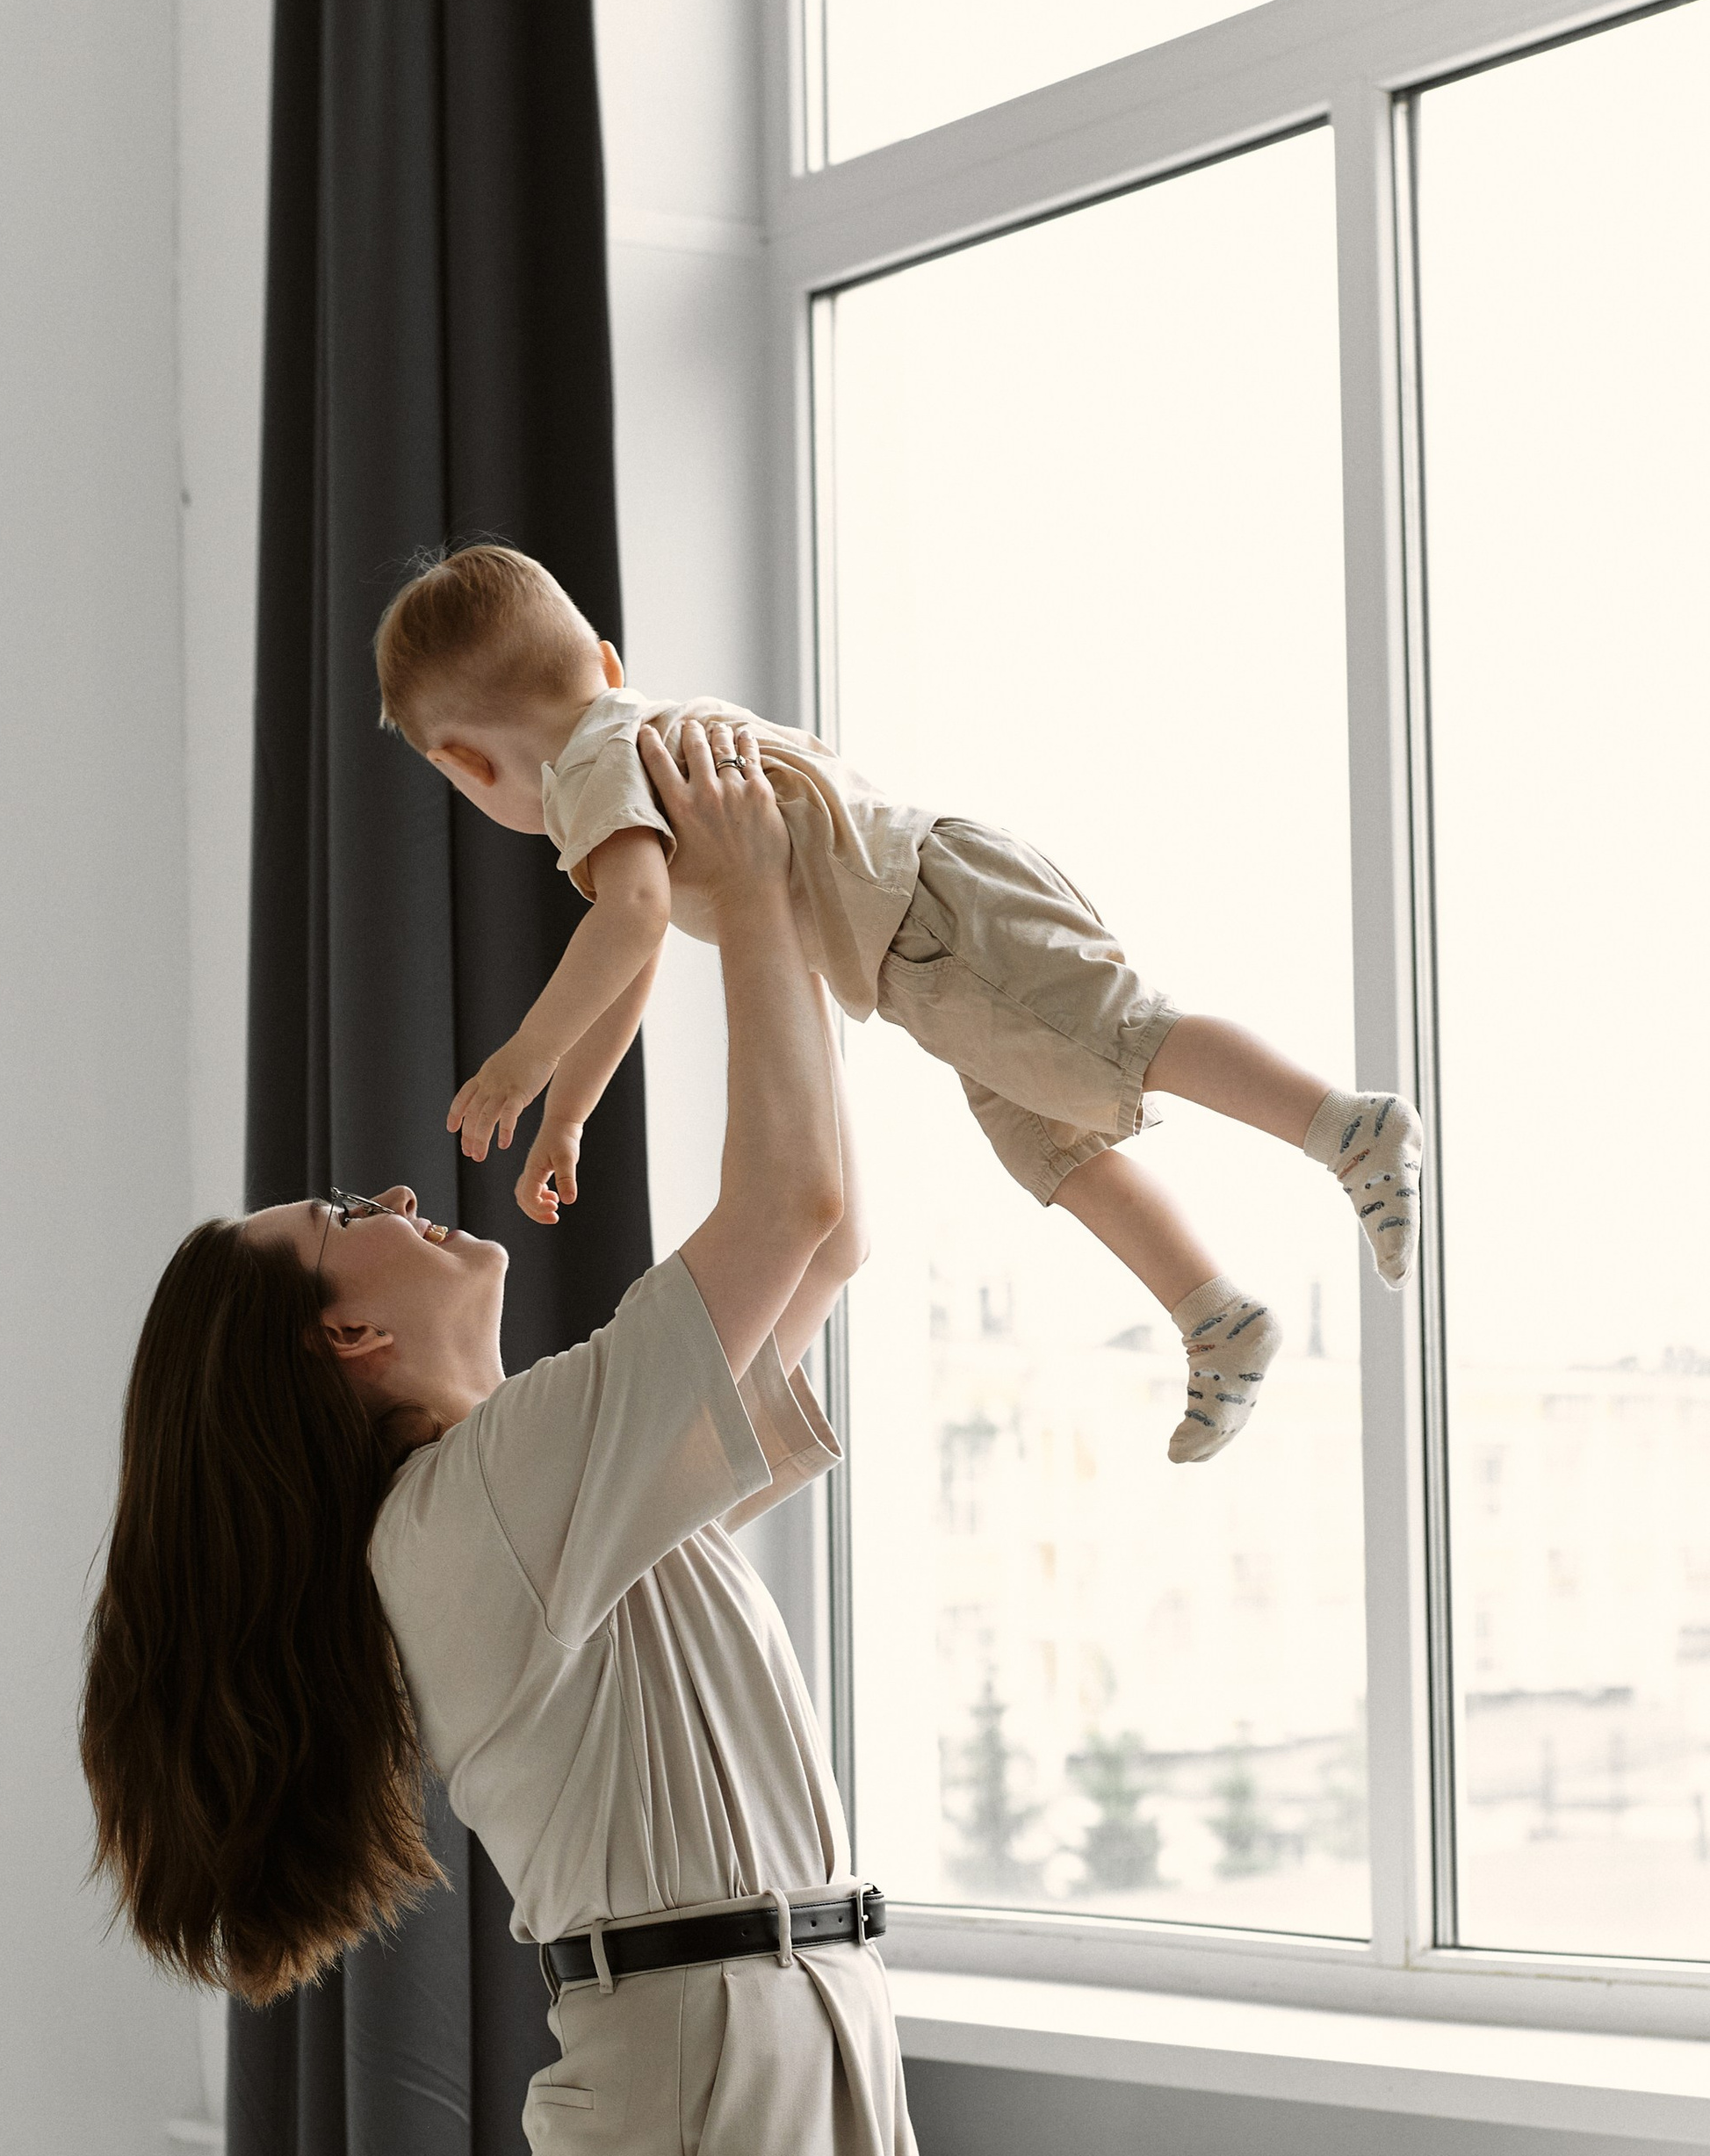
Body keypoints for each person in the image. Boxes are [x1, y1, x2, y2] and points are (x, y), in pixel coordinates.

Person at [79, 718, 992, 2156]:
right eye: (340, 1218)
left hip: (779, 2041)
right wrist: (763, 896)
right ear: (351, 1340)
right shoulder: (465, 1511)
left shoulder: (523, 1480)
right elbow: (801, 1222)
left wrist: (681, 969)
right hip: (704, 2067)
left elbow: (803, 1257)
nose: (388, 1192)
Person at [375, 539, 1423, 1467]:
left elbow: (634, 916)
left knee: (1125, 1037)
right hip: (926, 930)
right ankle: (1214, 1316)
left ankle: (1344, 1125)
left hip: (932, 919)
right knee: (1047, 1145)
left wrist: (524, 1060)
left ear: (464, 763)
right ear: (604, 659)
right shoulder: (633, 723)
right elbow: (636, 945)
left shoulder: (588, 765)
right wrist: (568, 1111)